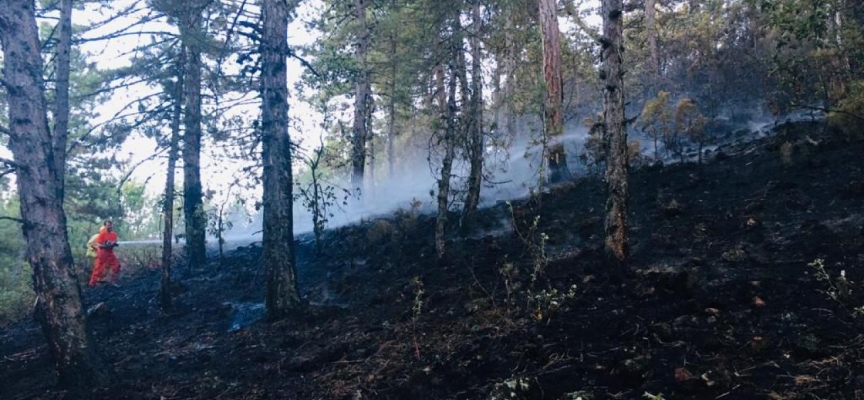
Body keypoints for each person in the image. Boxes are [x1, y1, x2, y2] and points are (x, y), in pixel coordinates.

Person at [88, 220, 121, 287]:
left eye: (111, 225)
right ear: (105, 226)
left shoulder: (114, 234)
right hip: (102, 253)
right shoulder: (102, 234)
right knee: (98, 269)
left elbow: (114, 243)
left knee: (117, 265)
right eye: (108, 225)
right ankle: (92, 284)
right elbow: (99, 245)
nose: (110, 226)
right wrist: (106, 245)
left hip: (110, 253)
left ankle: (113, 281)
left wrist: (114, 244)